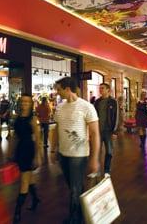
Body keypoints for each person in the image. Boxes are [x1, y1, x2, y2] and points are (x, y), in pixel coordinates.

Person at [51, 77, 100, 224]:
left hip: (79, 156)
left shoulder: (86, 107)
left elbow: (95, 134)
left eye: (59, 89)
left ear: (67, 89)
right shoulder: (59, 107)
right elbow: (56, 129)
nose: (57, 92)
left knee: (74, 188)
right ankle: (83, 213)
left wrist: (94, 158)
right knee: (74, 186)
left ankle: (74, 219)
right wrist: (54, 150)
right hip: (63, 154)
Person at [11, 93, 43, 223]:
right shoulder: (18, 117)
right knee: (28, 178)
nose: (24, 104)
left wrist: (38, 156)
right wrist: (12, 152)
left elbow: (38, 139)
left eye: (27, 102)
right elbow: (15, 136)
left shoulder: (33, 119)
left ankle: (17, 213)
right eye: (23, 101)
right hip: (20, 149)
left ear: (31, 104)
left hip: (29, 150)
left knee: (24, 181)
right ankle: (35, 199)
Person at [93, 83, 118, 176]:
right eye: (100, 88)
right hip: (97, 131)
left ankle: (107, 170)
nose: (100, 90)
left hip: (108, 130)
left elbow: (116, 117)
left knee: (109, 151)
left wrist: (114, 131)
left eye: (102, 88)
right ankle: (96, 170)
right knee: (96, 151)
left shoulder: (113, 101)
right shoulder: (97, 102)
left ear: (108, 90)